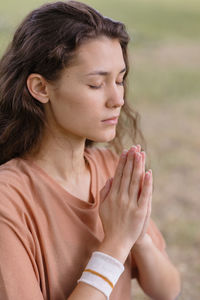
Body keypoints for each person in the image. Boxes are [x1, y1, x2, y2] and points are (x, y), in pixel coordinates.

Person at [0, 1, 180, 300]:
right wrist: (117, 242)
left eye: (120, 80)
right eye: (96, 84)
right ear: (41, 88)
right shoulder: (9, 200)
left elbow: (168, 290)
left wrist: (138, 236)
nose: (117, 99)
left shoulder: (111, 168)